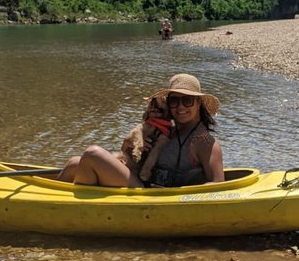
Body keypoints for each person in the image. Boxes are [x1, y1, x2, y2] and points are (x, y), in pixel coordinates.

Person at [57, 73, 223, 188]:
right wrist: (126, 145)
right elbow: (132, 157)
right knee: (74, 163)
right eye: (174, 101)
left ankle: (68, 210)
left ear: (198, 103)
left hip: (150, 194)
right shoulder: (169, 131)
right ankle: (55, 201)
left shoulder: (204, 141)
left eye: (187, 101)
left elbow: (218, 185)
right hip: (138, 179)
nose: (180, 107)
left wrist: (183, 195)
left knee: (92, 154)